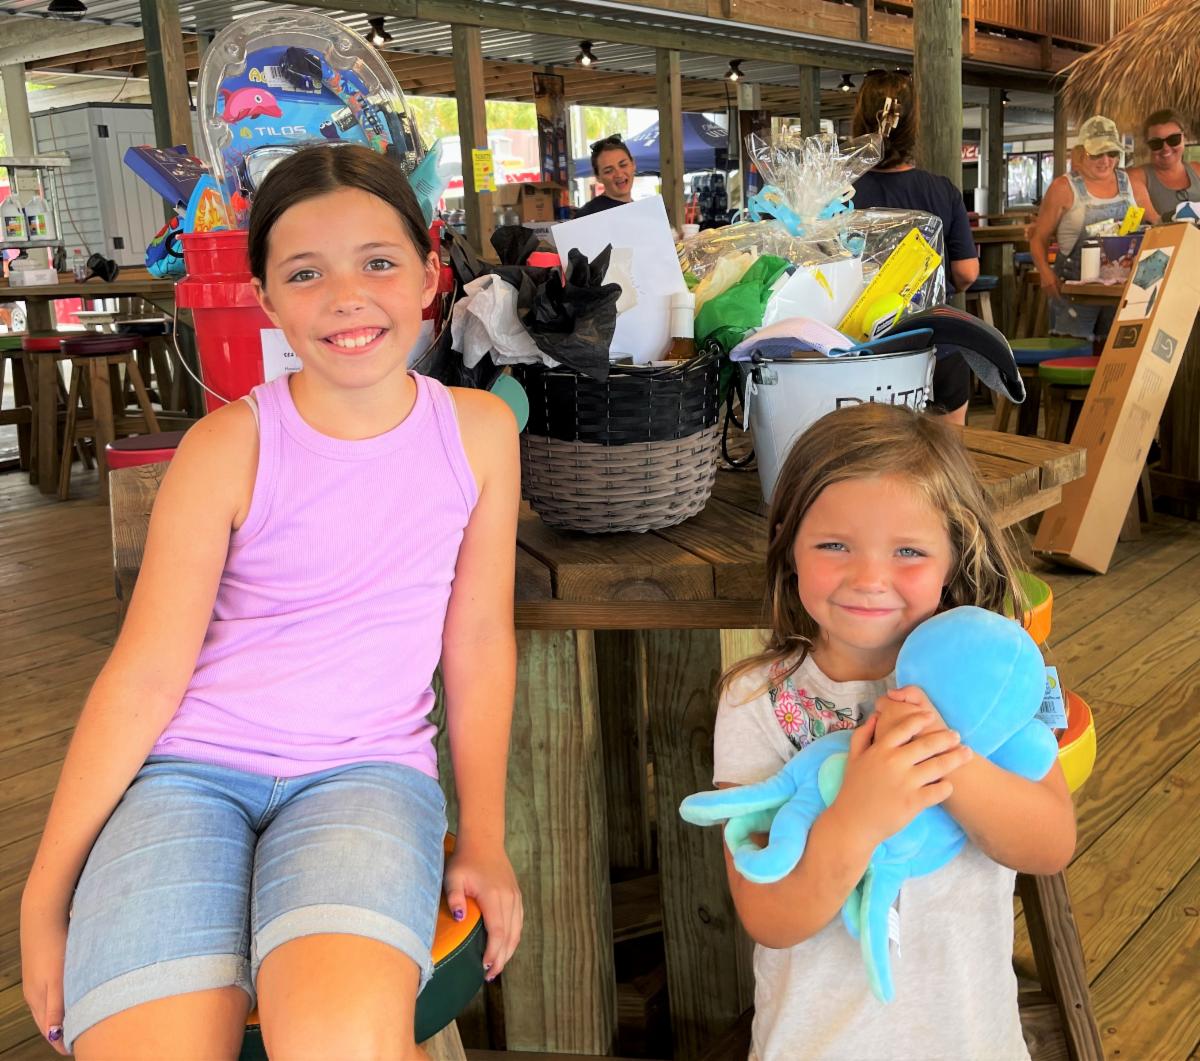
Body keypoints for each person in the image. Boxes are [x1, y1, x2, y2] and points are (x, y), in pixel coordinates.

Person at [20, 144, 523, 1058]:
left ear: (429, 275)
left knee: (340, 1038)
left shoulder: (480, 432)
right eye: (305, 272)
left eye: (378, 261)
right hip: (189, 775)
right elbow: (144, 675)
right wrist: (43, 897)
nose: (346, 296)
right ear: (263, 299)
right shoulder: (226, 445)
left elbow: (480, 639)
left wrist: (483, 836)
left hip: (368, 774)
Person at [712, 402, 1076, 1061]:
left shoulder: (989, 677)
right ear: (789, 546)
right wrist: (858, 817)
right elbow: (769, 916)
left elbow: (1050, 844)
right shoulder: (757, 700)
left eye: (908, 550)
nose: (870, 578)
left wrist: (945, 761)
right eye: (834, 545)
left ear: (953, 556)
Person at [849, 69, 980, 425]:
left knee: (873, 453)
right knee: (946, 456)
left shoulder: (839, 194)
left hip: (860, 353)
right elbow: (967, 272)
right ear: (914, 127)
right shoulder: (942, 190)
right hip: (936, 343)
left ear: (859, 121)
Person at [1030, 115, 1151, 342]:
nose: (1105, 160)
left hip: (1120, 292)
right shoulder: (1063, 188)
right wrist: (1045, 273)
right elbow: (1038, 238)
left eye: (1112, 153)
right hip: (1074, 292)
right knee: (1071, 355)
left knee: (1114, 354)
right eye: (1097, 153)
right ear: (1081, 153)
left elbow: (1156, 223)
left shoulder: (1130, 184)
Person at [1127, 108, 1200, 223]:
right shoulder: (1136, 176)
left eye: (1173, 139)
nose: (1166, 148)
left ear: (1185, 138)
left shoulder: (1197, 169)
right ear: (1148, 146)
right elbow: (1153, 222)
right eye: (1156, 143)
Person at [575, 134, 636, 217]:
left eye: (623, 165)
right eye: (609, 171)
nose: (619, 174)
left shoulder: (639, 209)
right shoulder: (587, 216)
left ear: (633, 164)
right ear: (598, 177)